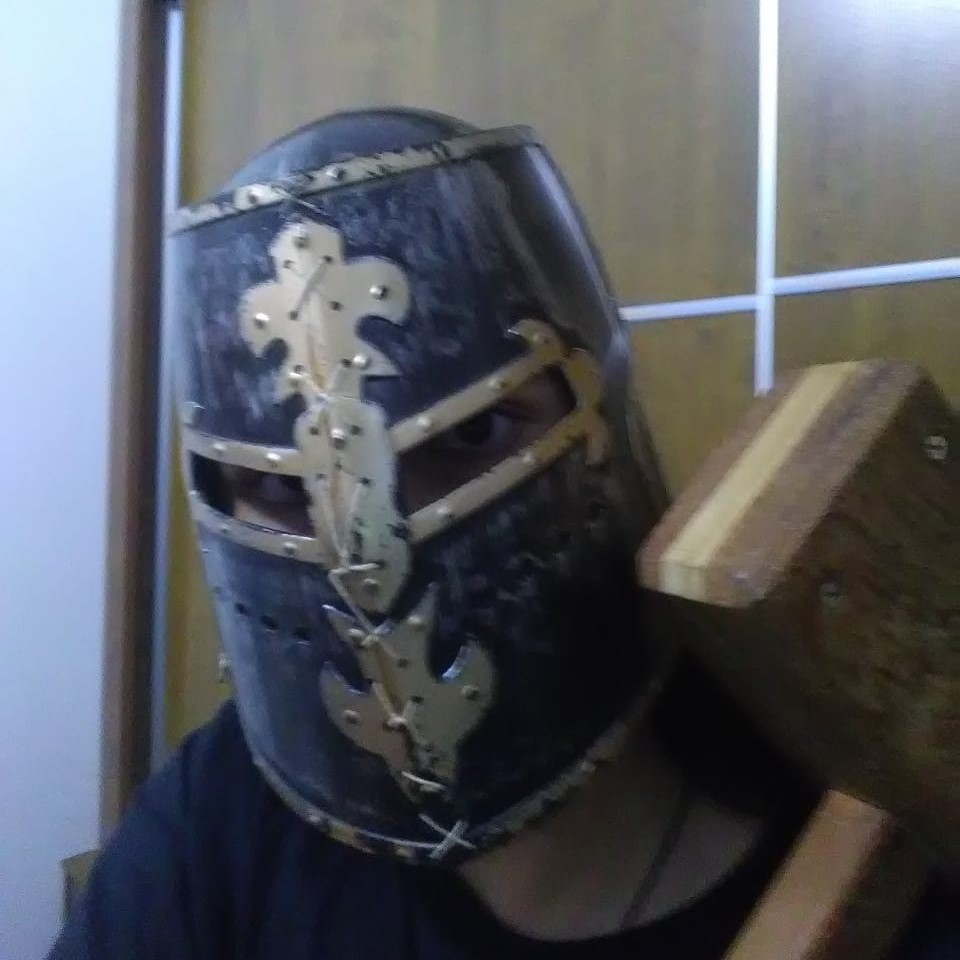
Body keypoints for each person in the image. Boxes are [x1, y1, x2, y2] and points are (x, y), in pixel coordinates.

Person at [49, 108, 957, 959]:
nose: (378, 554)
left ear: (600, 409)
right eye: (283, 491)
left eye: (475, 434)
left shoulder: (859, 773)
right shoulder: (226, 812)